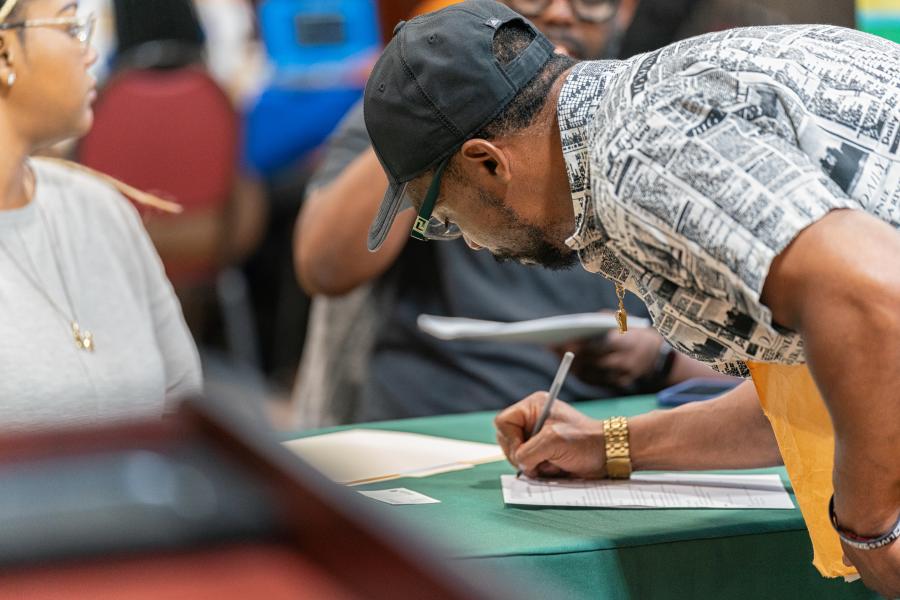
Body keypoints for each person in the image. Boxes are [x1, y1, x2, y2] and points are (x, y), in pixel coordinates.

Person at [361, 2, 900, 594]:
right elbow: (828, 386)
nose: (467, 240)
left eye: (442, 215)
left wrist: (869, 522)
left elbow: (874, 301)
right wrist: (611, 444)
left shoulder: (637, 156)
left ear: (487, 163)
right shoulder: (656, 99)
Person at [293, 0, 726, 426]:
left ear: (625, 9)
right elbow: (324, 267)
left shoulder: (655, 125)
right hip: (437, 412)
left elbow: (755, 360)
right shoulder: (416, 101)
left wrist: (661, 357)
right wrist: (432, 110)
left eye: (588, 1)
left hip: (611, 420)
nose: (559, 13)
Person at [0, 0, 202, 430]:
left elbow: (185, 409)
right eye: (71, 28)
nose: (91, 52)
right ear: (4, 53)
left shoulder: (101, 209)